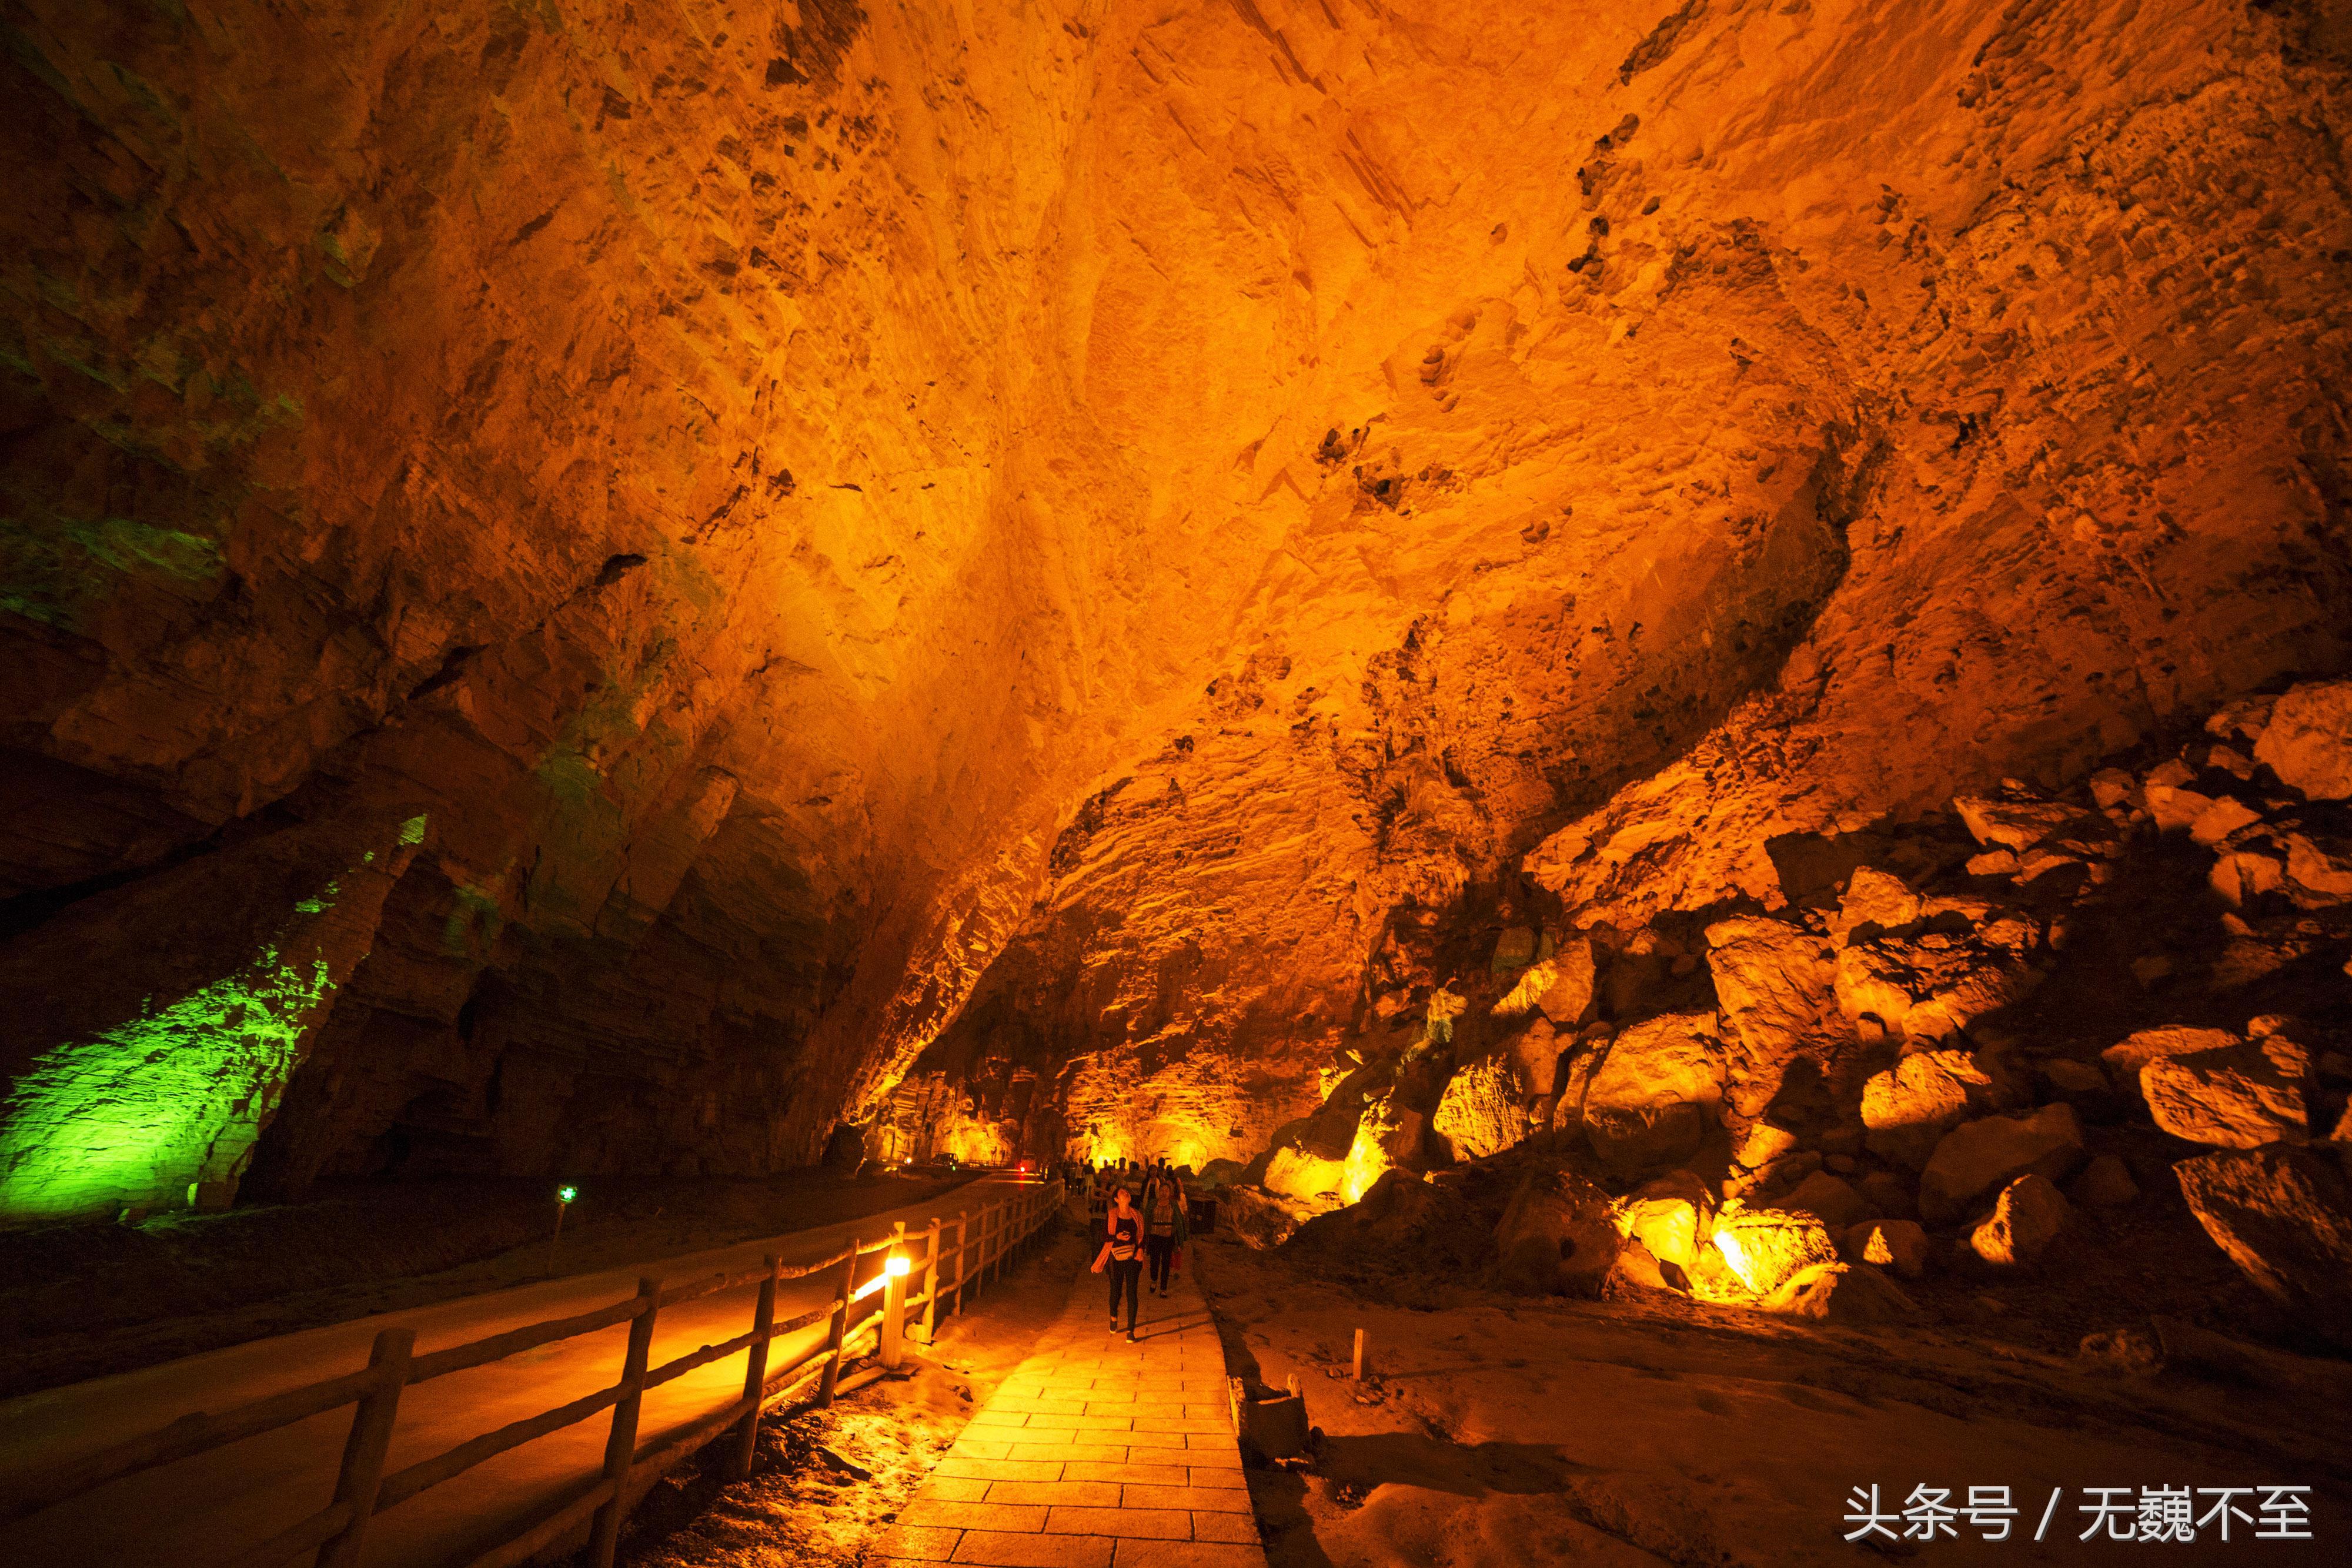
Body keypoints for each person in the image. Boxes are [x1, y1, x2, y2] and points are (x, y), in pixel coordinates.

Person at [1094, 1184, 1145, 1338]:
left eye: (1126, 1192)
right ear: (1117, 1199)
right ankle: (1114, 1316)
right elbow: (1104, 1237)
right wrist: (1117, 1237)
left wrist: (1141, 1249)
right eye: (1122, 1192)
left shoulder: (1137, 1215)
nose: (1126, 1193)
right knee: (1116, 1291)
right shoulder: (1111, 1215)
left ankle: (1131, 1330)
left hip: (1133, 1258)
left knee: (1132, 1293)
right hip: (1115, 1259)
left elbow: (1142, 1235)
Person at [1140, 1166, 1188, 1297]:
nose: (1164, 1193)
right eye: (1162, 1190)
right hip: (1155, 1236)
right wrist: (1145, 1236)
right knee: (1155, 1261)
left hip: (1168, 1238)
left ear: (1170, 1192)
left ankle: (1163, 1288)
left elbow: (1178, 1222)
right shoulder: (1152, 1204)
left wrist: (1178, 1238)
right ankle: (1154, 1280)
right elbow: (1147, 1219)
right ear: (1159, 1192)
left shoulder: (1174, 1205)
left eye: (1167, 1191)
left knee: (1166, 1262)